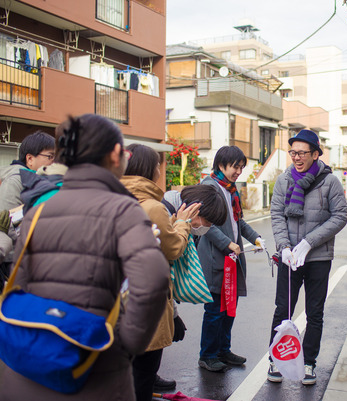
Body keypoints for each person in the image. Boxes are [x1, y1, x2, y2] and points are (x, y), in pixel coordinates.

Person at [0, 114, 170, 401]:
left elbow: (20, 281)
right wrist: (130, 342)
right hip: (92, 365)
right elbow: (153, 278)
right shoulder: (122, 209)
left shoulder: (40, 206)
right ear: (116, 155)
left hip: (28, 358)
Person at [267, 129, 347, 385]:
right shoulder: (283, 180)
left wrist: (309, 242)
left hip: (318, 258)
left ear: (315, 154)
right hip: (290, 258)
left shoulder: (330, 182)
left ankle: (309, 362)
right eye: (293, 153)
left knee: (315, 313)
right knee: (283, 309)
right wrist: (284, 246)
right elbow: (277, 214)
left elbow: (340, 216)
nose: (297, 158)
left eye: (302, 153)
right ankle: (276, 359)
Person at [121, 144, 201, 401]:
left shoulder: (110, 199)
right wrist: (182, 224)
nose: (160, 169)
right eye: (157, 164)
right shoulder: (152, 207)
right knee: (143, 376)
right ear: (148, 169)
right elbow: (173, 248)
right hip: (146, 301)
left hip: (115, 301)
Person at [196, 145, 266, 372]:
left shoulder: (231, 189)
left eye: (241, 167)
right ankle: (207, 355)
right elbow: (204, 223)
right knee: (215, 309)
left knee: (230, 307)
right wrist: (227, 243)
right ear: (220, 165)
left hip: (232, 259)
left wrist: (255, 238)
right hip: (216, 258)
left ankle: (223, 351)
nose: (239, 171)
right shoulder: (209, 187)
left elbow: (239, 222)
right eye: (235, 167)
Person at [0, 130, 55, 281]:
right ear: (30, 159)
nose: (54, 162)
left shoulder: (41, 181)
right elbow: (5, 224)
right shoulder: (16, 181)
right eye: (50, 156)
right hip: (13, 262)